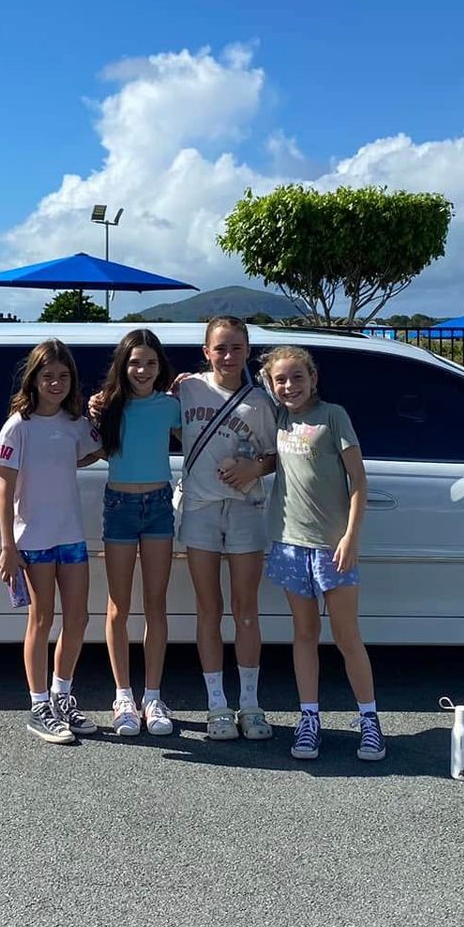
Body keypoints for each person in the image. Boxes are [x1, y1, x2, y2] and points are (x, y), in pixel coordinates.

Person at [258, 345, 382, 762]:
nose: (289, 386)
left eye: (297, 377)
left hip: (332, 549)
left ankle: (369, 720)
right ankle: (309, 718)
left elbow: (359, 480)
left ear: (313, 378)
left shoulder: (333, 416)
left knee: (347, 636)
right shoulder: (278, 417)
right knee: (304, 635)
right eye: (281, 379)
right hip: (290, 545)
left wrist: (351, 536)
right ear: (271, 384)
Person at [174, 316, 279, 741]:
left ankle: (250, 703)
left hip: (246, 509)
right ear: (206, 351)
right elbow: (137, 400)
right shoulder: (186, 389)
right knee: (208, 609)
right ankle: (217, 703)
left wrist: (253, 467)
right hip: (200, 508)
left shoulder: (261, 402)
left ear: (248, 351)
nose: (229, 356)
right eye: (221, 348)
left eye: (236, 348)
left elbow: (275, 455)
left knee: (246, 609)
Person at [0, 338, 105, 744]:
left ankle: (62, 696)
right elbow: (4, 491)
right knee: (40, 620)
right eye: (48, 376)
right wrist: (8, 546)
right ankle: (39, 705)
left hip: (70, 536)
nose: (56, 383)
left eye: (63, 376)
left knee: (78, 619)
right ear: (34, 379)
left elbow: (94, 449)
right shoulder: (18, 426)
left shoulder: (73, 422)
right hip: (34, 540)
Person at [91, 329, 182, 737]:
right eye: (134, 363)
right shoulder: (107, 406)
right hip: (120, 507)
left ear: (160, 366)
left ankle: (153, 696)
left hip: (160, 507)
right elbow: (83, 449)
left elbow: (204, 436)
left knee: (156, 605)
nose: (142, 370)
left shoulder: (171, 406)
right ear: (122, 366)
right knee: (118, 606)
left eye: (150, 363)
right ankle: (123, 695)